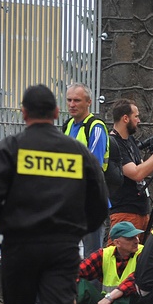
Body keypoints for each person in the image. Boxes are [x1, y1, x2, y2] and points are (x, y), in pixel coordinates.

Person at [0, 84, 109, 304]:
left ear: (24, 113)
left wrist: (7, 223)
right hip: (62, 248)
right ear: (57, 112)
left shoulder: (9, 149)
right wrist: (75, 229)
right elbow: (99, 204)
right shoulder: (77, 151)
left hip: (20, 245)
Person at [108, 98, 153, 233]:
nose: (138, 121)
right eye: (136, 116)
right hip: (125, 213)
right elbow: (136, 174)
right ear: (125, 118)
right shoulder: (114, 143)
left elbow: (144, 169)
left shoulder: (129, 140)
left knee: (143, 253)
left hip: (141, 211)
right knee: (125, 253)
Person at [74, 221, 149, 304]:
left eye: (136, 236)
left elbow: (136, 278)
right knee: (77, 284)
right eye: (130, 238)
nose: (137, 240)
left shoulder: (144, 253)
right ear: (117, 242)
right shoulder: (104, 255)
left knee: (131, 290)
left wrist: (110, 297)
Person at [64, 82, 109, 256]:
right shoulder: (68, 125)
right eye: (69, 100)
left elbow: (94, 165)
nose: (72, 105)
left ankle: (91, 285)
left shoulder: (96, 127)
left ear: (89, 102)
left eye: (77, 100)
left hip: (91, 202)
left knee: (92, 257)